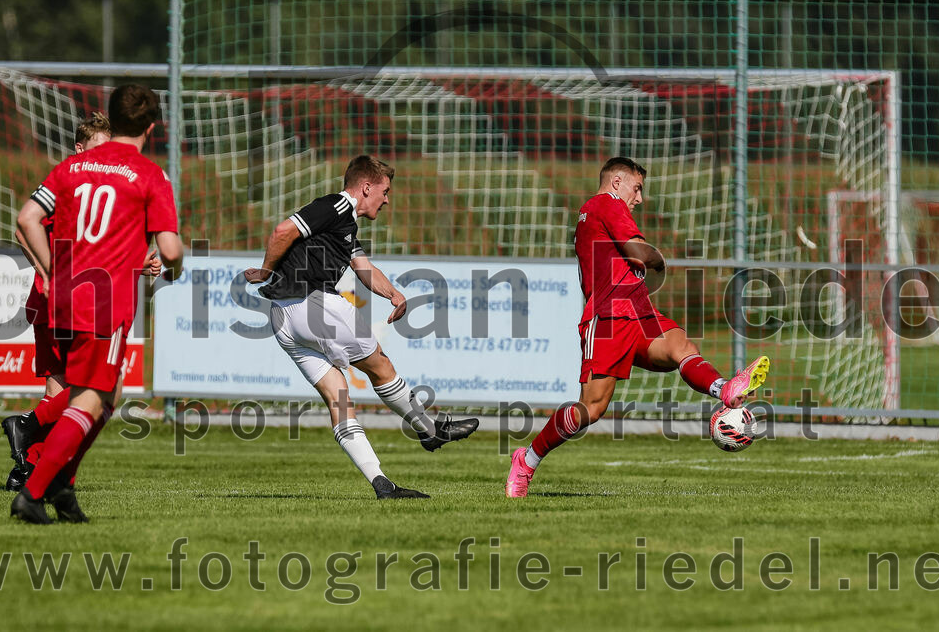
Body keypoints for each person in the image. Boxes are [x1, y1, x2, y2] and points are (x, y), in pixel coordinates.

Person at [505, 157, 770, 498]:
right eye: (637, 187)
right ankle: (526, 460)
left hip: (639, 313)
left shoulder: (595, 211)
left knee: (681, 348)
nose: (639, 198)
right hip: (609, 319)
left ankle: (725, 389)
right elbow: (640, 253)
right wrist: (657, 260)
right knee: (591, 408)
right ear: (617, 182)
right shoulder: (605, 204)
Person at [245, 155, 479, 499]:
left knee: (338, 398)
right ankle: (429, 430)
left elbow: (364, 269)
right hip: (313, 305)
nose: (387, 199)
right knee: (380, 365)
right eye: (384, 191)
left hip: (283, 318)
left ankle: (382, 484)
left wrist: (394, 294)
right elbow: (284, 230)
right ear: (366, 187)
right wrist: (266, 268)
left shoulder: (346, 225)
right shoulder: (338, 205)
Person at [11, 84, 183, 524]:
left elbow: (27, 218)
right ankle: (34, 490)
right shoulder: (149, 175)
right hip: (104, 300)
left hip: (66, 296)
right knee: (92, 398)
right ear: (151, 126)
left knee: (103, 394)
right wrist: (176, 269)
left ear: (112, 116)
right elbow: (171, 249)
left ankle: (63, 486)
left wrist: (53, 271)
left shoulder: (70, 167)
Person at [4, 113, 113, 492]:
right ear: (80, 149)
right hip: (58, 301)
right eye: (99, 150)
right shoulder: (66, 178)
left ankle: (28, 468)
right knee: (93, 388)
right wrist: (49, 274)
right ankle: (35, 450)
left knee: (63, 390)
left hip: (77, 298)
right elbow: (23, 226)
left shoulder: (98, 186)